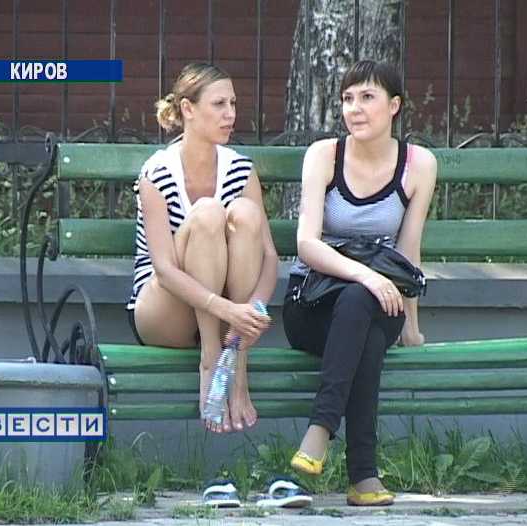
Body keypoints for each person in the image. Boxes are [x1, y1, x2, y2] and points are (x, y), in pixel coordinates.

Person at [283, 60, 437, 505]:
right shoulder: (324, 155)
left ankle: (320, 433)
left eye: (367, 97)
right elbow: (307, 244)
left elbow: (408, 252)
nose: (355, 108)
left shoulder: (418, 164)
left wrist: (411, 326)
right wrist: (367, 275)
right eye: (348, 98)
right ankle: (363, 475)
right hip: (312, 303)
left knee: (363, 312)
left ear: (394, 106)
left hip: (381, 303)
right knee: (362, 320)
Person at [126, 63, 278, 434]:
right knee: (208, 213)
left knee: (244, 214)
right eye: (219, 104)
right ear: (188, 109)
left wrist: (253, 313)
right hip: (166, 312)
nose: (230, 114)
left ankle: (237, 363)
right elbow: (164, 271)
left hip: (229, 315)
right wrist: (227, 309)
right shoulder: (156, 173)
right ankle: (212, 361)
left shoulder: (241, 169)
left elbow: (270, 257)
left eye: (233, 104)